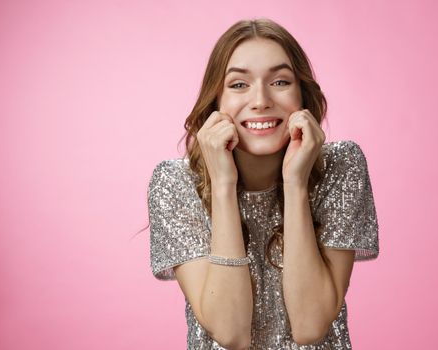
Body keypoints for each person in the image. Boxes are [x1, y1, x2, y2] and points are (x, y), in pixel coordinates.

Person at [147, 18, 379, 349]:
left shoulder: (340, 166)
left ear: (302, 96)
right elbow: (232, 333)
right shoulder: (175, 183)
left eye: (280, 81)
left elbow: (310, 325)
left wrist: (296, 183)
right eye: (239, 84)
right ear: (216, 101)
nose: (260, 100)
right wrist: (224, 185)